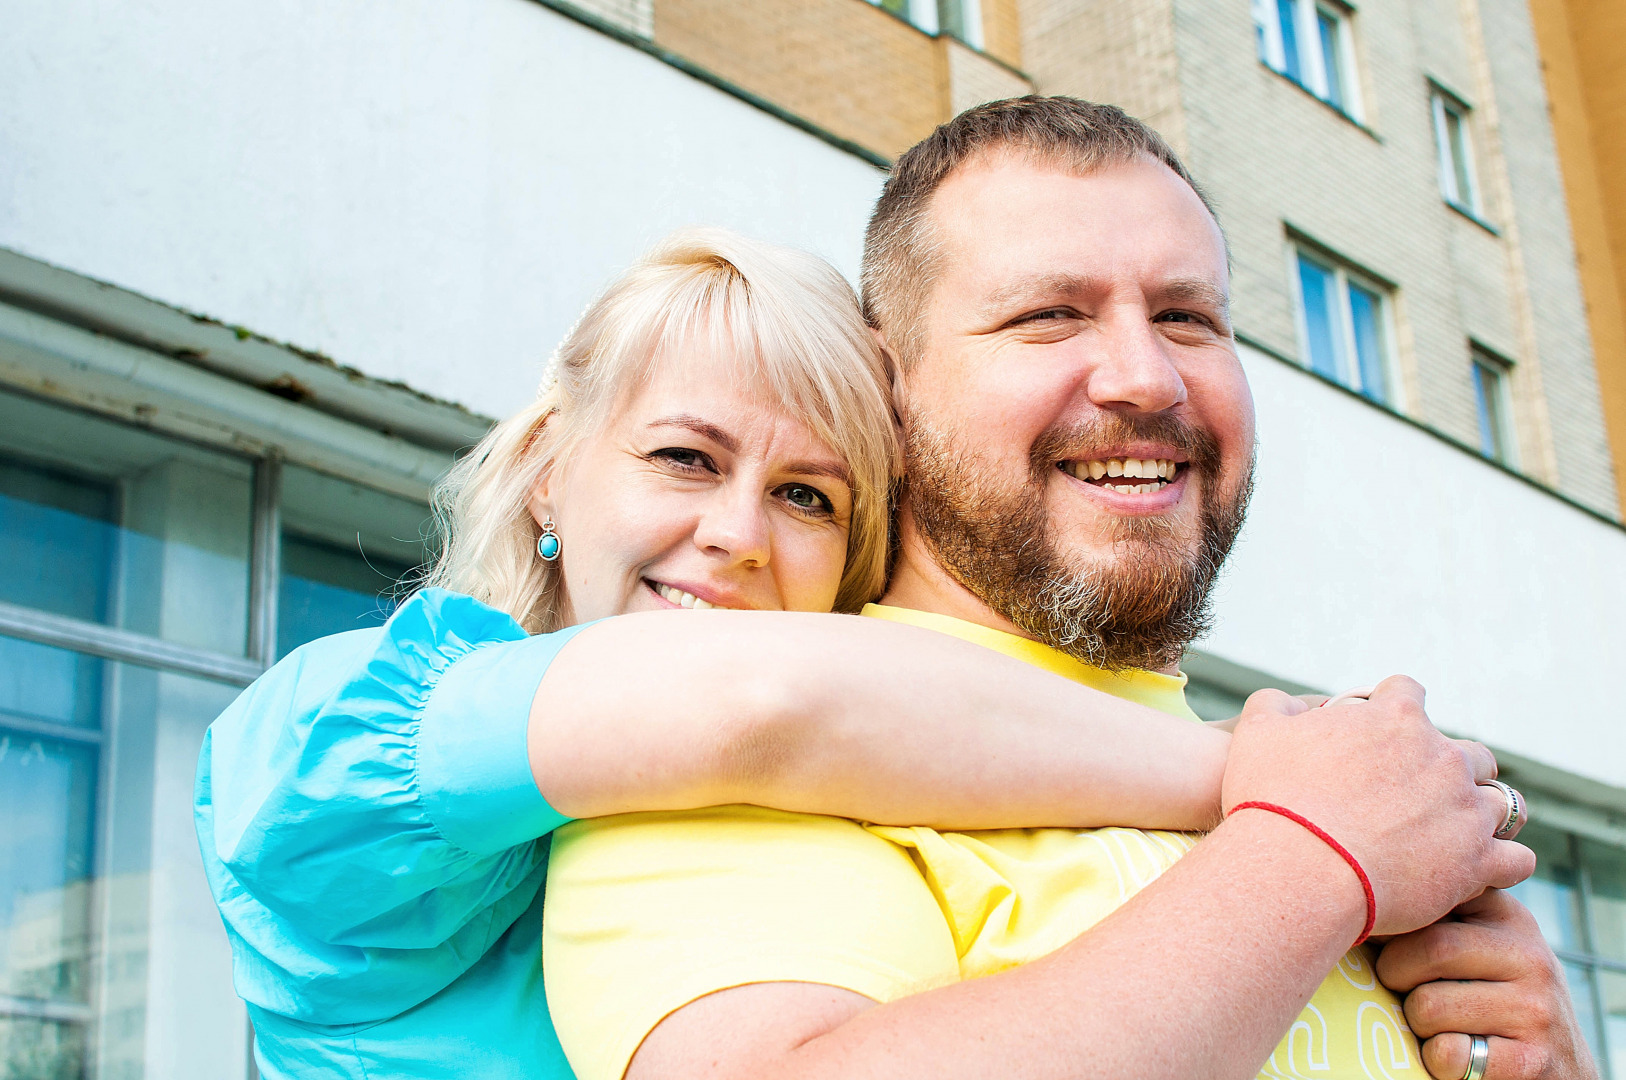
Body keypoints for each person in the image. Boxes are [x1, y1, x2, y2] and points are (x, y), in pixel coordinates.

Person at [542, 99, 1595, 1080]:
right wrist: (1312, 861)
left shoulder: (1334, 792)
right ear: (885, 389)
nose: (1147, 376)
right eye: (1051, 315)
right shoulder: (721, 756)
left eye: (1188, 317)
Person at [196, 227, 1262, 1080]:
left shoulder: (879, 792)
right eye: (683, 458)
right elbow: (757, 703)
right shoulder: (335, 741)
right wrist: (1273, 788)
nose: (739, 536)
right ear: (548, 473)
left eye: (807, 495)